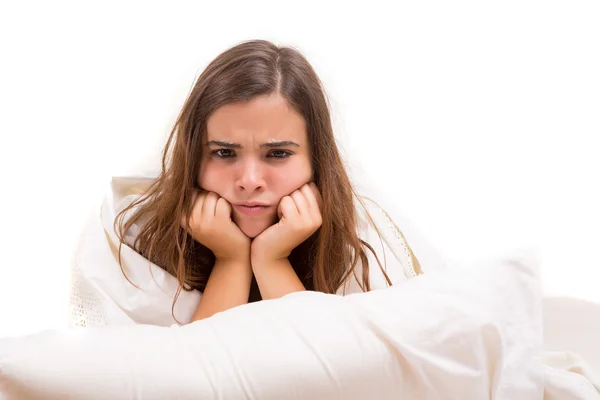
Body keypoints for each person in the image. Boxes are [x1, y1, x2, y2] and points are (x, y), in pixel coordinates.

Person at [79, 39, 420, 327]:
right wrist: (230, 261)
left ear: (316, 160)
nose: (250, 181)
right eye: (224, 152)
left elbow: (335, 379)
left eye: (278, 154)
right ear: (193, 156)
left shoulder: (363, 239)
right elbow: (188, 383)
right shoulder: (134, 232)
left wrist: (272, 260)